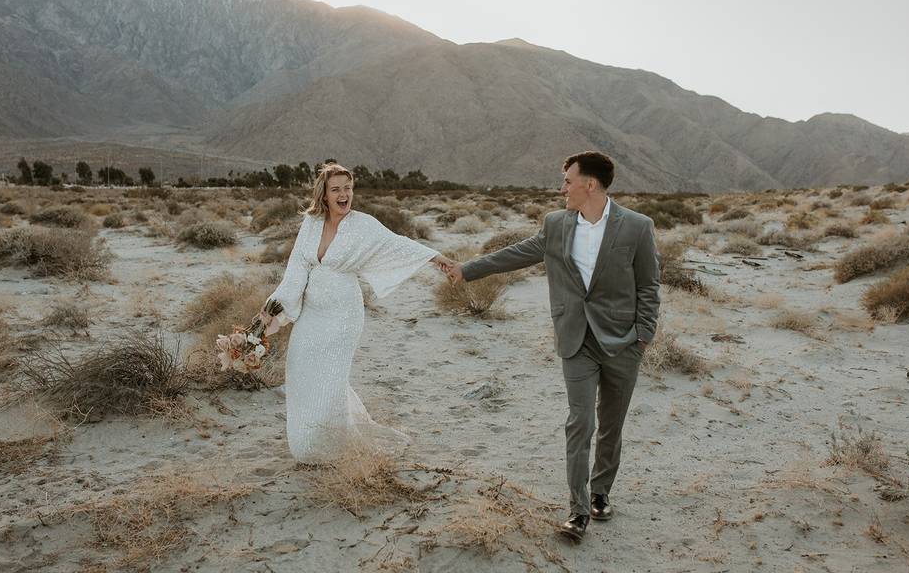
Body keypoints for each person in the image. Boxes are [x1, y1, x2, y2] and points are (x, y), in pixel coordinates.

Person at [446, 151, 660, 541]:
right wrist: (467, 269)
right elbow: (518, 254)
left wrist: (643, 334)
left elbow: (648, 284)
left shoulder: (637, 227)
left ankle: (600, 493)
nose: (561, 188)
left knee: (611, 426)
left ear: (589, 184)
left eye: (567, 180)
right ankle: (577, 510)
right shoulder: (556, 224)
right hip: (575, 338)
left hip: (623, 343)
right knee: (581, 422)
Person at [261, 163, 452, 463]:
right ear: (323, 194)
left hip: (343, 317)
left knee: (330, 381)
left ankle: (333, 447)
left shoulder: (362, 225)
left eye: (347, 188)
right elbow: (296, 268)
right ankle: (308, 441)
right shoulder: (311, 224)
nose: (343, 194)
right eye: (336, 189)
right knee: (300, 371)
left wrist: (435, 257)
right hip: (311, 314)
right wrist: (274, 308)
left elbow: (396, 244)